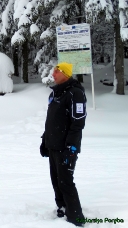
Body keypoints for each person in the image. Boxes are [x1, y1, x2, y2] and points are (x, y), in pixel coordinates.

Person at [40, 62, 86, 227]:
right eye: (53, 72)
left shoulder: (75, 94)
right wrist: (45, 140)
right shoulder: (55, 94)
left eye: (56, 72)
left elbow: (78, 123)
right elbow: (51, 121)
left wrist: (72, 148)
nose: (53, 74)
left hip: (66, 147)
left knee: (65, 181)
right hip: (53, 146)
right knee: (56, 180)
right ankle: (62, 208)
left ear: (65, 74)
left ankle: (76, 217)